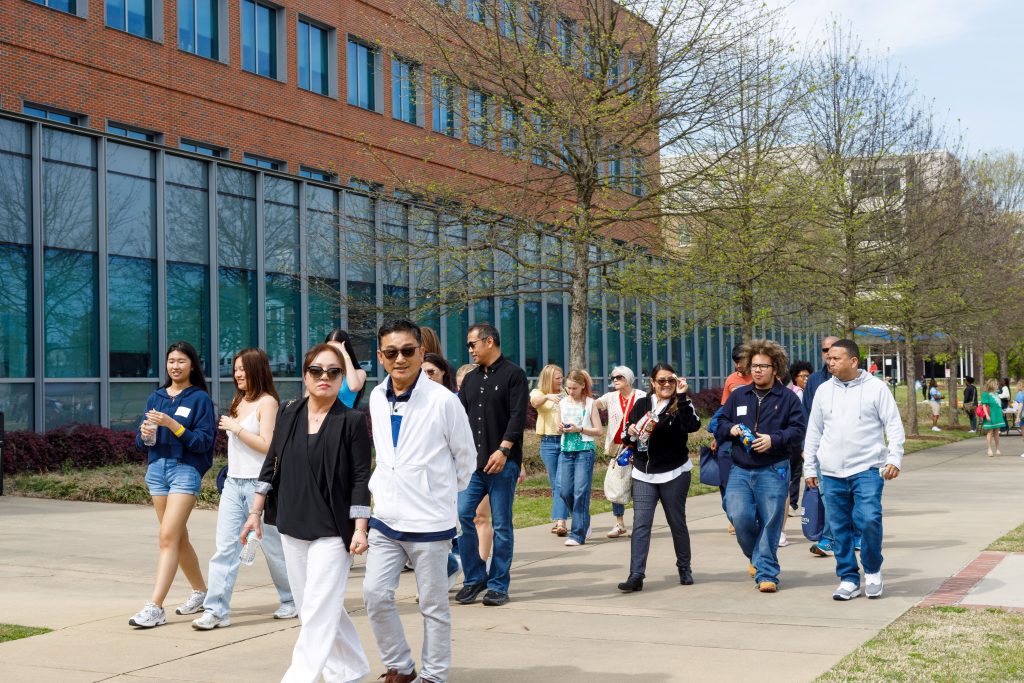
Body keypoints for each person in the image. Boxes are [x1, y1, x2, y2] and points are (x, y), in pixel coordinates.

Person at [241, 343, 372, 683]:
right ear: (305, 375)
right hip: (292, 523)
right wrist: (256, 511)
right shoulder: (288, 413)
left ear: (342, 377)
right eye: (316, 371)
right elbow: (272, 462)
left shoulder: (353, 421)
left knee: (317, 609)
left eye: (333, 372)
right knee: (316, 606)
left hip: (333, 529)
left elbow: (361, 476)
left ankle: (299, 677)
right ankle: (352, 669)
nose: (324, 377)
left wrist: (360, 527)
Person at [363, 320, 476, 683]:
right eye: (391, 352)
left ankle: (434, 675)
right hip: (386, 517)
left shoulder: (444, 401)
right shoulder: (377, 397)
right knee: (375, 595)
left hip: (429, 522)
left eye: (408, 351)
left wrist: (436, 491)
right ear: (380, 357)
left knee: (433, 606)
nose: (400, 359)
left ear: (421, 352)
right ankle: (401, 664)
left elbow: (466, 460)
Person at [192, 348, 295, 630]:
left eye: (243, 369)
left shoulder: (267, 403)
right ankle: (216, 610)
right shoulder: (239, 400)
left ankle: (292, 599)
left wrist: (237, 429)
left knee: (273, 548)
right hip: (234, 484)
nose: (237, 374)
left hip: (260, 486)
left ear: (257, 370)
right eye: (235, 369)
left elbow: (268, 446)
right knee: (225, 548)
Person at [803, 339, 905, 601]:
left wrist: (894, 458)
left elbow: (893, 425)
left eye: (836, 358)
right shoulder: (824, 391)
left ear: (853, 361)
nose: (830, 362)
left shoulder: (876, 388)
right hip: (831, 472)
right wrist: (810, 468)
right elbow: (814, 431)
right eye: (828, 358)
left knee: (869, 519)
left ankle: (872, 571)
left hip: (867, 469)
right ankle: (848, 578)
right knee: (839, 528)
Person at [129, 341, 217, 628]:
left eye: (181, 361)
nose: (175, 366)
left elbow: (203, 442)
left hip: (185, 470)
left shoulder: (199, 399)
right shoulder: (156, 397)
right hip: (157, 470)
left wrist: (172, 424)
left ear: (192, 365)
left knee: (167, 537)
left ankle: (155, 607)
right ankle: (201, 592)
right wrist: (144, 434)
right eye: (171, 361)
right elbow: (144, 443)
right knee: (178, 538)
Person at [716, 340, 806, 593]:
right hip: (740, 469)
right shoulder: (738, 396)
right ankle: (758, 557)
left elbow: (798, 430)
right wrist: (730, 428)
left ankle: (767, 573)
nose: (757, 370)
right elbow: (719, 422)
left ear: (775, 368)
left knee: (771, 522)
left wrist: (773, 440)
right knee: (738, 515)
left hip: (773, 467)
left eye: (763, 366)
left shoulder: (787, 398)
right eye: (754, 366)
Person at [455, 323, 528, 607]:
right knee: (462, 517)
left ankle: (498, 584)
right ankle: (475, 578)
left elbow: (517, 417)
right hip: (472, 467)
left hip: (502, 464)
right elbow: (457, 418)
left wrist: (504, 450)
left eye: (472, 344)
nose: (470, 350)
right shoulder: (471, 380)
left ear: (489, 341)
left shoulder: (514, 375)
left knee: (501, 526)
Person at [618, 364, 701, 592]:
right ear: (653, 383)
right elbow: (626, 435)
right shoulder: (642, 404)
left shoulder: (681, 404)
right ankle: (636, 575)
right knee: (641, 524)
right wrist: (631, 432)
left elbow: (692, 425)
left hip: (674, 472)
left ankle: (684, 568)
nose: (666, 385)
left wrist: (683, 397)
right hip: (644, 472)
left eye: (670, 380)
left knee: (677, 522)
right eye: (661, 381)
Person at [595, 366, 646, 538]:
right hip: (618, 447)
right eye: (613, 378)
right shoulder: (610, 397)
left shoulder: (641, 396)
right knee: (617, 484)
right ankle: (619, 523)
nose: (615, 380)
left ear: (628, 378)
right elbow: (591, 406)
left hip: (639, 446)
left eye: (619, 377)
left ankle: (640, 522)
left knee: (638, 484)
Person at [557, 369, 603, 547]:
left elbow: (598, 430)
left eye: (574, 388)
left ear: (583, 386)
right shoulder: (562, 404)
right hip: (566, 450)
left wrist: (579, 429)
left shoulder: (590, 403)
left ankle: (577, 534)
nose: (570, 391)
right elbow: (557, 428)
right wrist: (561, 428)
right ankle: (583, 521)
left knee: (580, 492)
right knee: (565, 491)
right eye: (568, 388)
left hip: (584, 450)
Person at [804, 335, 839, 557]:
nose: (828, 355)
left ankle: (852, 536)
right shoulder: (816, 380)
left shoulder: (861, 381)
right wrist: (806, 449)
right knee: (827, 495)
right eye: (824, 350)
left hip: (851, 453)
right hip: (822, 451)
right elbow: (806, 416)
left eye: (832, 350)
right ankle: (829, 538)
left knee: (848, 498)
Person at [530, 364, 569, 536]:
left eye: (561, 377)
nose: (561, 380)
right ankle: (562, 519)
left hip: (565, 441)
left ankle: (561, 522)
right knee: (555, 483)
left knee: (561, 482)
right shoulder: (538, 392)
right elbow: (535, 403)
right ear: (548, 378)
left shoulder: (567, 393)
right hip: (547, 442)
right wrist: (548, 397)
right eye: (557, 378)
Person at [325, 329, 368, 408]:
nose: (333, 352)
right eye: (329, 349)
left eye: (337, 349)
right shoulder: (323, 372)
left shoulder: (359, 373)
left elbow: (354, 386)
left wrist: (344, 353)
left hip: (346, 418)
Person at [980, 379, 1006, 456]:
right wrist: (987, 415)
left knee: (997, 432)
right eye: (996, 384)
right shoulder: (985, 394)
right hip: (990, 415)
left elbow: (998, 405)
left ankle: (997, 449)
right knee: (990, 432)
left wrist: (1001, 412)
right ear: (992, 385)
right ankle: (989, 449)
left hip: (997, 415)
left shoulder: (996, 394)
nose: (997, 385)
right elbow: (984, 405)